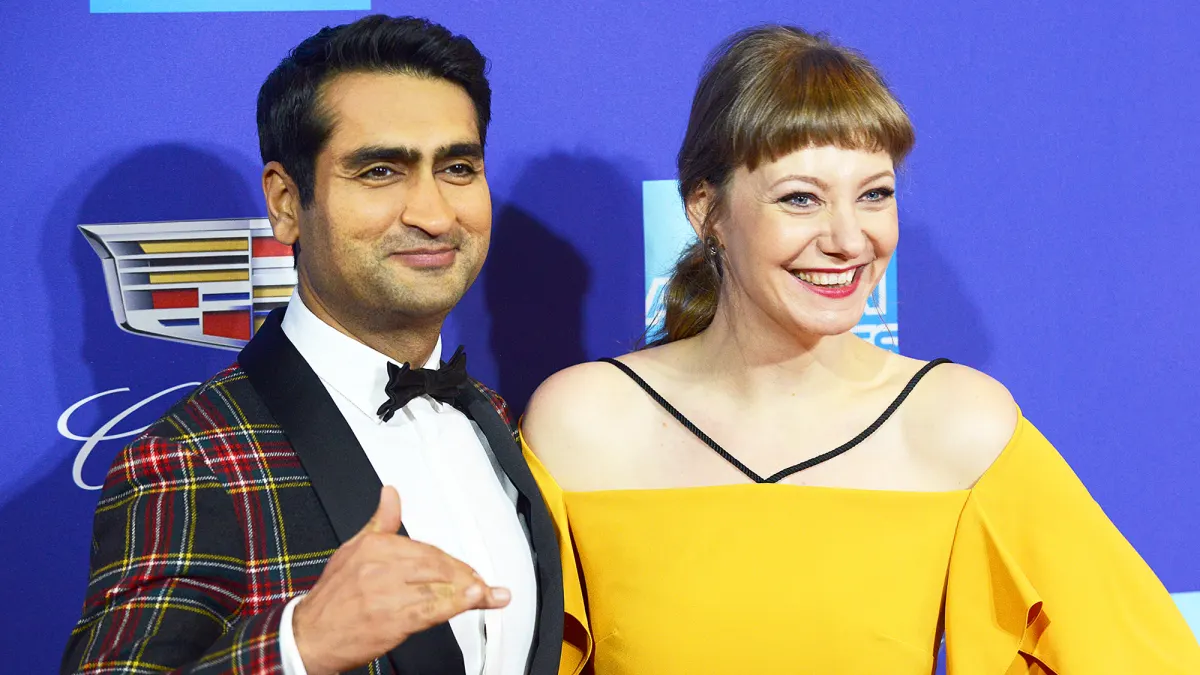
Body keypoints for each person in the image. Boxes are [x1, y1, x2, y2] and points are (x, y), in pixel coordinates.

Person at [521, 25, 1200, 675]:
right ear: (707, 210)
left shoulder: (957, 425)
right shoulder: (583, 425)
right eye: (801, 199)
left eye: (874, 194)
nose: (848, 239)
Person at [61, 15, 563, 675]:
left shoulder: (490, 415)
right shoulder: (191, 459)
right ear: (285, 203)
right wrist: (299, 644)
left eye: (458, 167)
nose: (435, 213)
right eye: (380, 170)